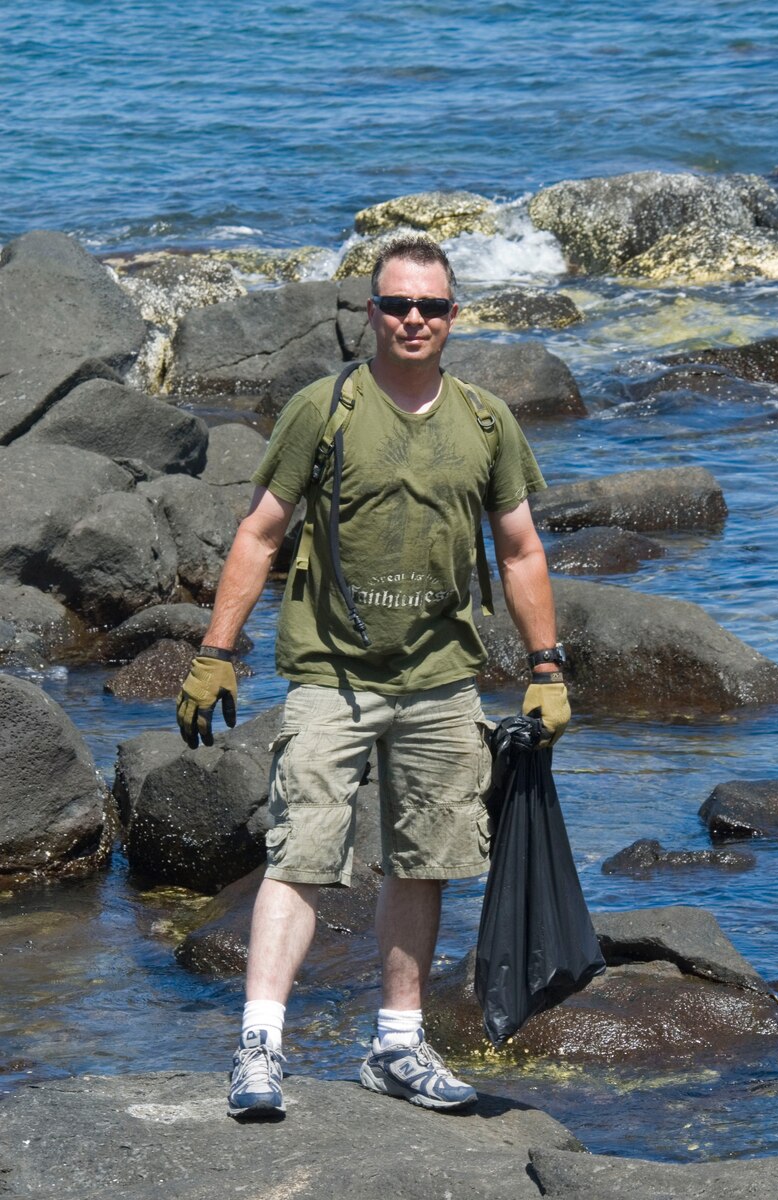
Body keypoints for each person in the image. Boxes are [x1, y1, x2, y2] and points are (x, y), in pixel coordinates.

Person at [176, 237, 570, 1118]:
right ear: (370, 313)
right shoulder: (325, 410)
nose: (413, 320)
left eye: (430, 307)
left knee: (423, 858)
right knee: (301, 853)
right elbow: (259, 532)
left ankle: (397, 1044)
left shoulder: (483, 422)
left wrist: (546, 667)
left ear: (453, 316)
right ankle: (260, 1046)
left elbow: (519, 549)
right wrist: (215, 651)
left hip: (440, 680)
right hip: (331, 676)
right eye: (397, 305)